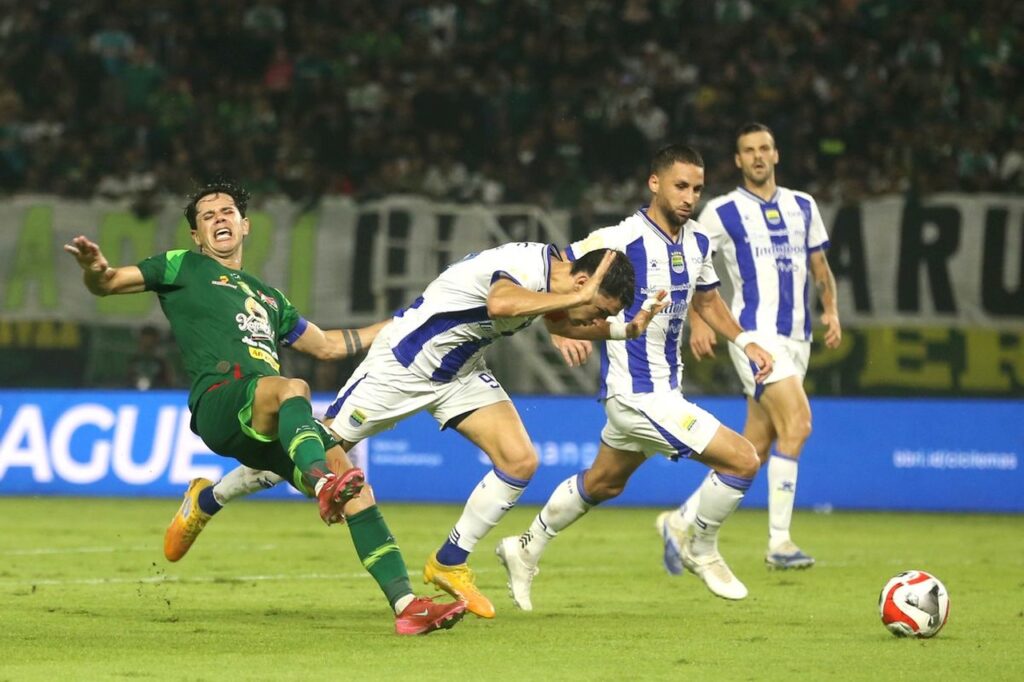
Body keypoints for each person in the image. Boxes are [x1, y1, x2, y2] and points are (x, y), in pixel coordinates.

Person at [164, 239, 658, 621]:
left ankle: (449, 562)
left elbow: (559, 317)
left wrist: (625, 330)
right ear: (580, 280)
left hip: (459, 371)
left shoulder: (558, 282)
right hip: (403, 365)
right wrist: (581, 303)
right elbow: (502, 304)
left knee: (520, 461)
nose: (593, 317)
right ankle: (209, 498)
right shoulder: (524, 265)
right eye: (598, 307)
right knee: (316, 455)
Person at [64, 181, 467, 635]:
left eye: (227, 212)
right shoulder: (183, 266)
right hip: (220, 400)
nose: (219, 218)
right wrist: (95, 269)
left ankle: (407, 606)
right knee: (292, 389)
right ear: (196, 235)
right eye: (208, 216)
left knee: (358, 491)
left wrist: (403, 323)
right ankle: (322, 481)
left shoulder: (271, 298)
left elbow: (330, 346)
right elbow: (108, 283)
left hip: (270, 419)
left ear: (245, 225)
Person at [495, 144, 774, 610]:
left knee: (604, 483)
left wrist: (745, 341)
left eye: (697, 189)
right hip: (637, 396)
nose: (689, 197)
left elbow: (708, 302)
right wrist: (556, 328)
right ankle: (695, 541)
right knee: (743, 460)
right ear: (654, 183)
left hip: (663, 393)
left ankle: (525, 547)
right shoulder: (618, 238)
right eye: (681, 186)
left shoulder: (698, 242)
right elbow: (554, 274)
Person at [668, 122, 842, 570]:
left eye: (765, 148)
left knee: (756, 448)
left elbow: (820, 266)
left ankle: (680, 520)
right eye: (749, 150)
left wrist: (831, 311)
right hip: (755, 337)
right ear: (738, 160)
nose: (758, 156)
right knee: (798, 424)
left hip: (798, 338)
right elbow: (691, 266)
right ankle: (779, 544)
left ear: (776, 154)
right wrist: (697, 322)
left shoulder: (803, 205)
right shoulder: (721, 212)